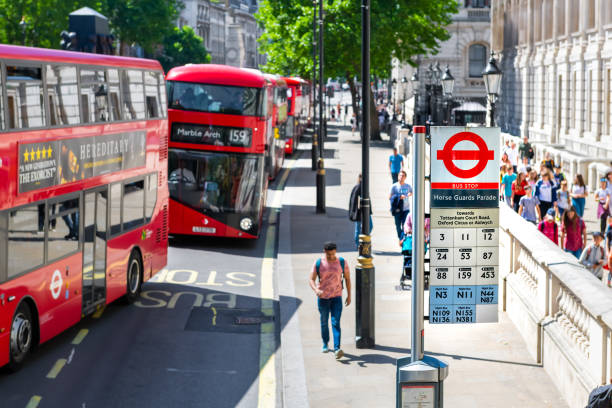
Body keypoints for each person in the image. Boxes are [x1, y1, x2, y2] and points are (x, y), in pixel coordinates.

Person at [308, 242, 351, 359]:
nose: (331, 257)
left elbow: (347, 279)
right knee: (324, 321)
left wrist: (349, 295)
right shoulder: (318, 263)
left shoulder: (342, 262)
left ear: (336, 251)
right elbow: (311, 279)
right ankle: (325, 343)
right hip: (323, 298)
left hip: (337, 297)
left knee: (336, 322)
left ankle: (337, 348)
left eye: (333, 254)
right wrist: (316, 290)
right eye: (329, 255)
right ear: (324, 252)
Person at [349, 174, 372, 248]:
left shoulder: (365, 187)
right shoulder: (358, 187)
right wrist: (354, 212)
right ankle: (358, 244)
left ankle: (363, 238)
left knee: (370, 226)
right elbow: (353, 201)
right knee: (358, 227)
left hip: (366, 211)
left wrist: (370, 210)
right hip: (359, 212)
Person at [389, 170, 412, 240]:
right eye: (400, 175)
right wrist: (399, 197)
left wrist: (407, 195)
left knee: (405, 225)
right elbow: (389, 197)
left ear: (405, 177)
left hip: (406, 209)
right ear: (398, 176)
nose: (401, 177)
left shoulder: (408, 186)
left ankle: (404, 239)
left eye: (403, 176)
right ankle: (401, 238)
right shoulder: (394, 186)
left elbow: (411, 192)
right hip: (397, 209)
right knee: (398, 226)